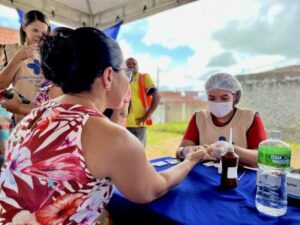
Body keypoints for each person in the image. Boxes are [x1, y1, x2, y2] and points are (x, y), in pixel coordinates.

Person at [0, 27, 209, 224]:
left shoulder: (38, 113)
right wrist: (191, 160)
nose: (128, 81)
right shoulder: (112, 138)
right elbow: (152, 189)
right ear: (109, 75)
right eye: (125, 73)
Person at [176, 73, 267, 168]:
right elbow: (179, 151)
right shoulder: (199, 118)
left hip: (238, 177)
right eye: (212, 98)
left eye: (224, 98)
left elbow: (261, 158)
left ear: (234, 96)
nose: (218, 102)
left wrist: (231, 150)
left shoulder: (249, 118)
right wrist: (185, 151)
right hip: (205, 175)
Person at [0, 10, 50, 124]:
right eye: (35, 30)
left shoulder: (50, 55)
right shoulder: (10, 50)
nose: (39, 36)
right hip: (22, 120)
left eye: (43, 33)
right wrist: (17, 59)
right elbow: (1, 85)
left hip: (46, 120)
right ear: (24, 27)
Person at [126, 57, 161, 146]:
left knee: (137, 154)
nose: (131, 65)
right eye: (128, 63)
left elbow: (157, 96)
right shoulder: (121, 79)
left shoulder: (143, 77)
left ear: (138, 66)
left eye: (134, 64)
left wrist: (147, 115)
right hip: (121, 123)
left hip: (137, 123)